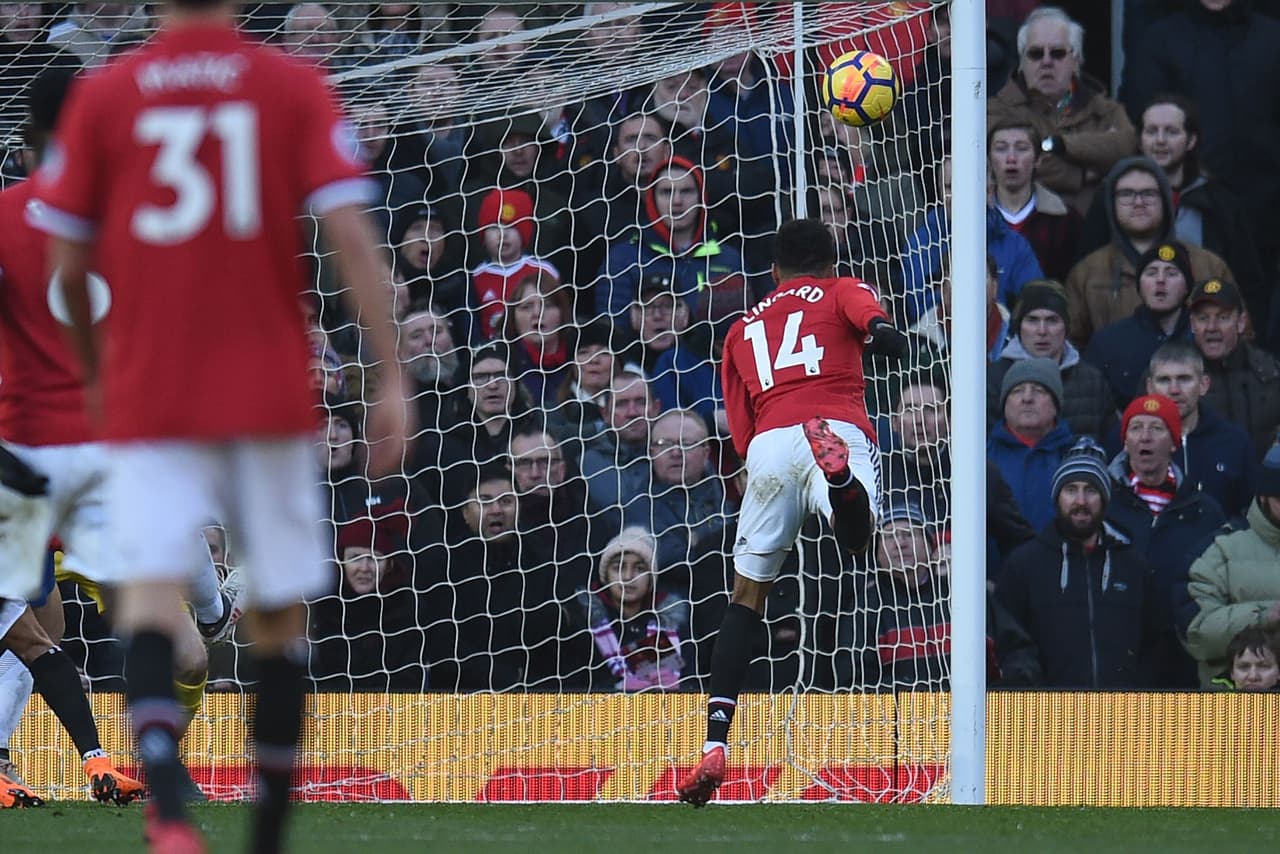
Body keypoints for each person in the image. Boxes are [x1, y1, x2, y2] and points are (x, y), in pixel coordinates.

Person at [30, 1, 410, 849]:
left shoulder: (109, 96)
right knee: (276, 613)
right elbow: (349, 234)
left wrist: (99, 375)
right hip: (266, 390)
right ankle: (266, 834)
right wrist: (390, 376)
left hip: (151, 394)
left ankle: (168, 813)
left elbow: (67, 260)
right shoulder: (289, 84)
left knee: (148, 597)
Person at [676, 218, 909, 807]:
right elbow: (872, 319)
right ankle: (841, 485)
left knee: (746, 596)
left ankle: (714, 742)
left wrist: (760, 469)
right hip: (833, 425)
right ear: (829, 262)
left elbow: (740, 429)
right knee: (858, 542)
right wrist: (882, 333)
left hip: (770, 444)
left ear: (773, 272)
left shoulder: (740, 328)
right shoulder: (840, 290)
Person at [1078, 94, 1268, 337]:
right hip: (1123, 329)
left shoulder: (1220, 204)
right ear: (1139, 139)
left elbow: (1249, 283)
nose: (1160, 141)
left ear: (1191, 141)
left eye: (1171, 132)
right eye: (1151, 131)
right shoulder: (1111, 196)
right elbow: (1084, 270)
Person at [996, 439, 1158, 688]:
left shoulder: (1133, 566)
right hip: (1047, 717)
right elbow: (1010, 648)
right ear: (1057, 496)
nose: (1081, 501)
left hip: (1122, 716)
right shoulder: (1024, 566)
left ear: (1104, 498)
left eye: (1091, 490)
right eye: (1071, 489)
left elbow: (1155, 647)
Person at [1106, 394, 1227, 687]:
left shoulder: (1204, 510)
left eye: (1156, 428)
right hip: (1120, 649)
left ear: (1174, 442)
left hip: (1182, 650)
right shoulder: (1103, 503)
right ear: (1125, 441)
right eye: (1136, 428)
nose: (1145, 437)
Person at [1064, 157, 1233, 349]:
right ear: (1111, 204)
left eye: (1148, 194)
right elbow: (1071, 347)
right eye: (1126, 194)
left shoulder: (1208, 265)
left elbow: (1237, 335)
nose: (1138, 202)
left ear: (1166, 201)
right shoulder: (1086, 273)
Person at [986, 6, 1136, 215]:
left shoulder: (1105, 110)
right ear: (1022, 62)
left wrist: (1060, 145)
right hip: (1025, 231)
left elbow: (1127, 148)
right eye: (1036, 54)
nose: (1046, 62)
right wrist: (1083, 174)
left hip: (1091, 233)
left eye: (1057, 53)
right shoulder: (995, 111)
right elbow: (1008, 169)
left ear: (1077, 60)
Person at [1183, 445, 1280, 688]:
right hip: (1233, 713)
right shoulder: (1220, 550)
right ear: (1264, 496)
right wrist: (1268, 615)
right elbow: (1198, 634)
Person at [986, 279, 1115, 439]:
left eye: (1052, 320)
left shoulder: (1093, 381)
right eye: (1032, 320)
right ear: (1019, 327)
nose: (1042, 331)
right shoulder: (993, 380)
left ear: (1066, 327)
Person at [1142, 341, 1255, 519]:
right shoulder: (1130, 441)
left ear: (1204, 384)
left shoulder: (1235, 442)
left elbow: (1249, 515)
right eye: (1164, 380)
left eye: (1184, 379)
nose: (1174, 390)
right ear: (1150, 387)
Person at [571, 525, 689, 692]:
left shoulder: (673, 622)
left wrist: (679, 688)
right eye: (618, 567)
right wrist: (614, 688)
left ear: (651, 578)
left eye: (639, 569)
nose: (628, 577)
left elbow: (694, 674)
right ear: (605, 574)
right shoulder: (580, 621)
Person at [1082, 240, 1195, 406]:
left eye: (1171, 273)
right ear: (1139, 286)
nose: (1161, 280)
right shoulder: (1108, 342)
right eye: (1151, 273)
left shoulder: (1204, 337)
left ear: (1187, 286)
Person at [1187, 278, 1280, 459]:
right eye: (1203, 318)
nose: (1211, 328)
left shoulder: (1271, 373)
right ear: (1192, 325)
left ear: (1241, 323)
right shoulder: (1172, 376)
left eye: (1222, 317)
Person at [986, 357, 1076, 531]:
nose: (1027, 398)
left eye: (1039, 391)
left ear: (1056, 404)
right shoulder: (982, 457)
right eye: (1017, 391)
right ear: (1004, 404)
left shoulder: (1076, 457)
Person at [987, 118, 1082, 281]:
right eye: (1001, 149)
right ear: (989, 159)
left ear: (1038, 159)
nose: (1011, 158)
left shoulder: (1065, 220)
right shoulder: (972, 218)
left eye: (1021, 149)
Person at [468, 187, 560, 340]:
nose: (502, 234)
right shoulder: (475, 277)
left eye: (511, 226)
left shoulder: (544, 271)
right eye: (494, 227)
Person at [1209, 626, 1280, 692]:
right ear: (1232, 673)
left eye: (1263, 666)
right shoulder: (1213, 702)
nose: (1253, 677)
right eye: (1244, 667)